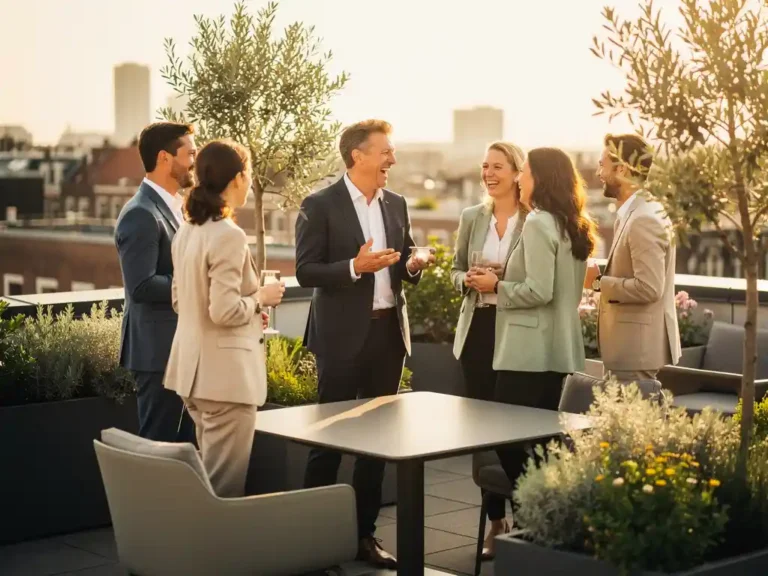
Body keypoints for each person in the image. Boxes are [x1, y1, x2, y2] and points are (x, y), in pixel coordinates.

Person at [295, 119, 434, 569]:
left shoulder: (396, 203)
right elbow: (306, 270)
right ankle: (315, 540)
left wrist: (413, 263)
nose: (392, 159)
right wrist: (354, 267)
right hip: (339, 337)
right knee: (328, 442)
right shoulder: (320, 205)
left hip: (387, 336)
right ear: (358, 155)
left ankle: (363, 537)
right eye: (385, 152)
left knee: (375, 444)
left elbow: (401, 260)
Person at [469, 147, 596, 503]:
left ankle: (535, 508)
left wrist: (496, 286)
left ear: (539, 178)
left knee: (505, 437)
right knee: (545, 441)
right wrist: (507, 274)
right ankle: (548, 517)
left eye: (523, 172)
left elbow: (539, 290)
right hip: (559, 349)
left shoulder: (539, 221)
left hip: (528, 353)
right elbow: (556, 286)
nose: (520, 179)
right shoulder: (573, 222)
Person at [163, 139, 285, 497]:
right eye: (247, 174)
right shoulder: (228, 235)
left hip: (193, 376)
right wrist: (260, 298)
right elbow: (224, 310)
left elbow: (179, 301)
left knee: (208, 483)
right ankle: (212, 552)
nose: (249, 182)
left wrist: (249, 312)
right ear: (236, 178)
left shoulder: (187, 231)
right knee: (223, 489)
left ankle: (196, 549)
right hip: (225, 382)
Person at [450, 141, 526, 560]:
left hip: (516, 330)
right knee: (483, 431)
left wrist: (501, 284)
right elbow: (454, 268)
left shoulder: (534, 220)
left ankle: (528, 516)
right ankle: (495, 521)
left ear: (517, 172)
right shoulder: (471, 217)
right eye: (484, 166)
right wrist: (468, 280)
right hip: (478, 329)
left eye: (498, 166)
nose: (489, 173)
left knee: (512, 427)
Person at [114, 122, 197, 442]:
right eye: (189, 153)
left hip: (180, 349)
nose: (194, 160)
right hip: (157, 354)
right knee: (157, 446)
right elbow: (142, 286)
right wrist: (196, 284)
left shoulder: (176, 207)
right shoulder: (141, 213)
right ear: (165, 158)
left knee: (187, 447)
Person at [585, 133, 681, 382]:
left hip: (635, 352)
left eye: (602, 165)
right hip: (628, 350)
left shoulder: (643, 219)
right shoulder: (635, 213)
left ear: (622, 170)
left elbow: (649, 288)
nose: (598, 173)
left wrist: (597, 283)